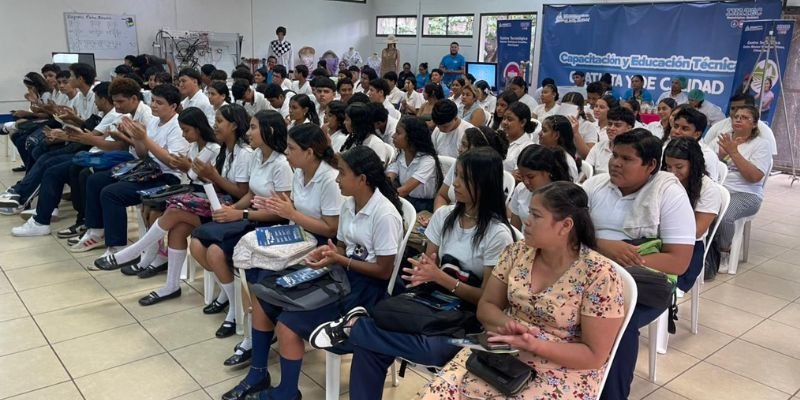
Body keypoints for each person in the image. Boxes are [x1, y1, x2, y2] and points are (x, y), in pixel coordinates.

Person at [310, 147, 517, 400]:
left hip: (464, 319)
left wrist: (441, 278)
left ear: (484, 184)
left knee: (429, 350)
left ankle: (355, 328)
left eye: (464, 179)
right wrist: (423, 274)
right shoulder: (443, 216)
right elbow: (427, 267)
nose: (455, 184)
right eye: (456, 176)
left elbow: (486, 299)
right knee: (372, 345)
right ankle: (359, 329)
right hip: (429, 304)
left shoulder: (497, 234)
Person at [418, 181, 625, 400]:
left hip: (562, 369)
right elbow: (487, 306)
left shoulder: (599, 275)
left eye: (536, 216)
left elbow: (594, 355)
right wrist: (507, 325)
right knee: (439, 392)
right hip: (504, 353)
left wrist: (535, 344)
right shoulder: (518, 252)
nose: (526, 222)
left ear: (565, 226)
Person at [246, 145, 403, 400]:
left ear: (362, 179)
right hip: (343, 276)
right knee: (267, 295)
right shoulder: (350, 204)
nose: (338, 179)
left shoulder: (384, 214)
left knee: (288, 323)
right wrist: (329, 253)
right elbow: (342, 245)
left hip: (365, 293)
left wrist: (341, 260)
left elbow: (384, 271)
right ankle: (263, 376)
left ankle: (286, 393)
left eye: (342, 174)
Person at [220, 123, 344, 400]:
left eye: (292, 149)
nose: (287, 153)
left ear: (310, 152)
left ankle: (274, 358)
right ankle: (258, 371)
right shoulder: (300, 172)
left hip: (321, 249)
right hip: (298, 239)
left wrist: (291, 213)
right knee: (255, 273)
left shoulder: (329, 179)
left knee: (267, 284)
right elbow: (294, 212)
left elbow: (331, 229)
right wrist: (275, 208)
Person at [583, 129, 695, 400]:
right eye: (614, 155)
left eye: (627, 159)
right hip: (589, 270)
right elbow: (569, 230)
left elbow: (678, 262)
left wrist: (617, 262)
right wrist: (604, 247)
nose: (616, 163)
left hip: (643, 283)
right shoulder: (596, 185)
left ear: (651, 165)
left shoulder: (668, 194)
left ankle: (613, 395)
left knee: (613, 322)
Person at [190, 110, 292, 338]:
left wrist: (242, 215)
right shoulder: (258, 155)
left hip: (269, 225)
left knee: (216, 251)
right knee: (197, 243)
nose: (248, 132)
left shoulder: (282, 165)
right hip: (250, 216)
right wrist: (231, 210)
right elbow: (251, 194)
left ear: (270, 131)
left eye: (254, 127)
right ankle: (230, 296)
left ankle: (234, 311)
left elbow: (281, 214)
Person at [69, 84, 191, 254]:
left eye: (160, 102)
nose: (154, 105)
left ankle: (117, 245)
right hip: (148, 170)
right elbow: (142, 154)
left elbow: (173, 163)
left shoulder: (178, 127)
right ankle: (96, 230)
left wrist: (144, 139)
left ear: (173, 106)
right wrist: (137, 138)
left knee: (112, 193)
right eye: (153, 101)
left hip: (167, 177)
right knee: (95, 179)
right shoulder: (154, 121)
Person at [715, 105, 772, 271]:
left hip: (746, 193)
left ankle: (724, 252)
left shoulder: (761, 144)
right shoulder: (722, 138)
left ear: (754, 124)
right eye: (736, 116)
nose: (738, 119)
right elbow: (710, 166)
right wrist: (720, 154)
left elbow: (754, 177)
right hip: (719, 187)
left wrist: (734, 152)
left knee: (725, 215)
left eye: (745, 117)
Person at [662, 138, 721, 291]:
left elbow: (696, 231)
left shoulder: (709, 189)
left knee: (656, 282)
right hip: (658, 238)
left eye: (679, 166)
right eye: (668, 166)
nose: (672, 172)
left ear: (693, 164)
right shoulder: (664, 181)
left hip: (689, 247)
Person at [433, 126, 509, 211]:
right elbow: (442, 196)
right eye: (461, 143)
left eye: (464, 145)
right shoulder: (459, 163)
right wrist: (439, 217)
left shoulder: (489, 175)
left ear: (480, 150)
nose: (460, 149)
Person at [508, 144, 572, 229]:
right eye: (522, 176)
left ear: (548, 172)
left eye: (531, 177)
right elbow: (515, 228)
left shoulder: (564, 198)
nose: (526, 182)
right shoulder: (521, 189)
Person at [387, 116, 443, 212]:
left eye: (398, 133)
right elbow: (389, 177)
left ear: (412, 137)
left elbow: (405, 189)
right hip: (405, 197)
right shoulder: (400, 154)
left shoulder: (428, 161)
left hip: (424, 205)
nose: (393, 136)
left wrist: (384, 198)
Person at [703, 93, 777, 157]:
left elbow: (767, 163)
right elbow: (704, 149)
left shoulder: (764, 132)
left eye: (740, 108)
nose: (736, 112)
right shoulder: (718, 127)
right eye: (732, 108)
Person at [668, 107, 719, 181]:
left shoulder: (707, 156)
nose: (677, 131)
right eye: (675, 126)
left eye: (685, 129)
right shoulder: (668, 147)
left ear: (697, 134)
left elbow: (709, 186)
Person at [585, 105, 634, 175]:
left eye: (617, 125)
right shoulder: (598, 147)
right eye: (609, 124)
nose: (611, 128)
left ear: (629, 129)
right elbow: (586, 170)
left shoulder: (633, 151)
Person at [539, 115, 580, 181]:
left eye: (544, 130)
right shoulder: (543, 153)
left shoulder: (567, 162)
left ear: (556, 135)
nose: (539, 133)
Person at [561, 91, 599, 158]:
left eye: (571, 108)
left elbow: (588, 155)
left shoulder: (588, 126)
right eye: (565, 108)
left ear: (580, 110)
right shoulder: (556, 122)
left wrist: (576, 133)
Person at [501, 101, 536, 172]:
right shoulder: (500, 138)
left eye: (509, 119)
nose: (504, 122)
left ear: (523, 122)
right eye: (504, 118)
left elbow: (518, 176)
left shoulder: (528, 148)